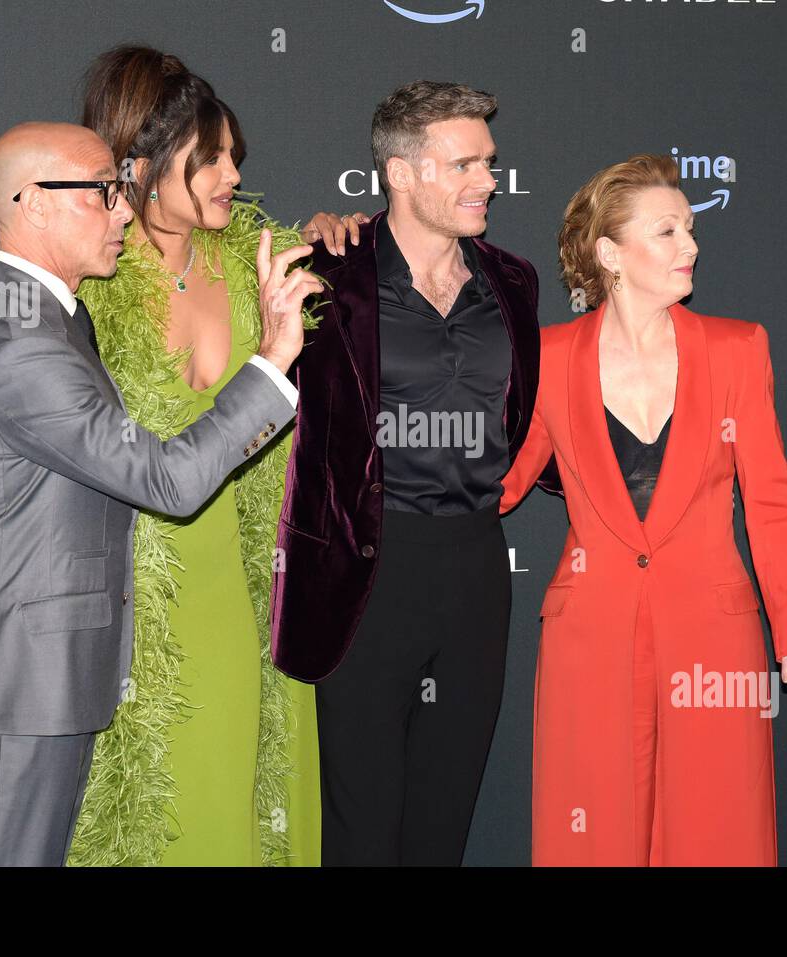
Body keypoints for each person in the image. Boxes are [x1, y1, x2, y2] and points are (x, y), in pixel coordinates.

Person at [0, 47, 364, 865]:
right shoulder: (71, 292)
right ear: (141, 168)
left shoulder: (249, 259)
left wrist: (341, 235)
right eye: (207, 157)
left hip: (230, 589)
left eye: (234, 156)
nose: (230, 175)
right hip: (112, 609)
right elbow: (126, 459)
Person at [499, 154, 787, 866]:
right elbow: (499, 483)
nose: (692, 245)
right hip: (591, 638)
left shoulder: (738, 349)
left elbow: (772, 498)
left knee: (718, 829)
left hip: (714, 637)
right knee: (592, 834)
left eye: (691, 229)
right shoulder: (549, 358)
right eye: (668, 231)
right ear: (609, 253)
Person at [268, 81, 541, 866]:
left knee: (443, 818)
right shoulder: (326, 271)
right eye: (463, 164)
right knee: (361, 822)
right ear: (400, 172)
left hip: (476, 567)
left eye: (488, 163)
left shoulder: (512, 280)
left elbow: (520, 419)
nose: (487, 180)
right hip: (365, 569)